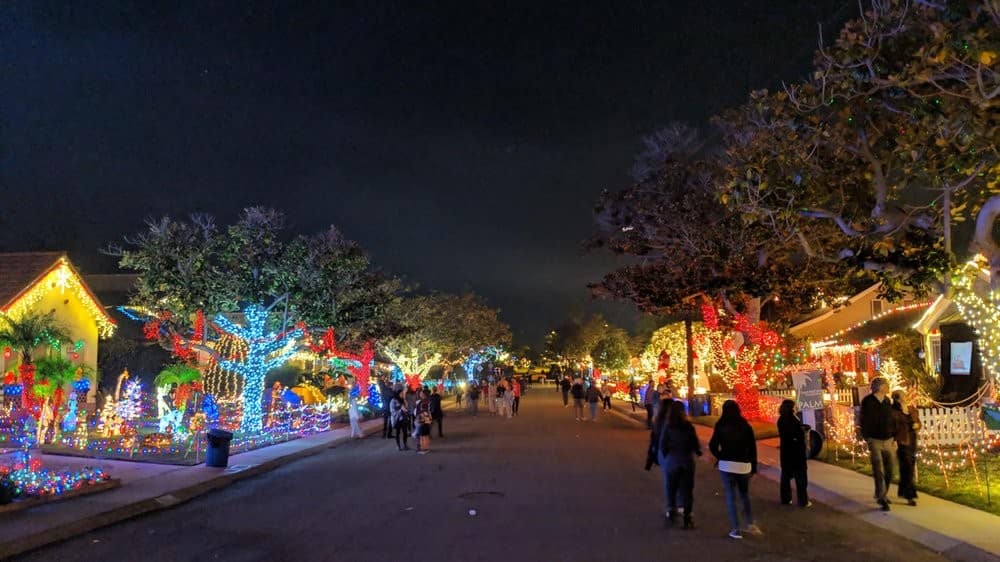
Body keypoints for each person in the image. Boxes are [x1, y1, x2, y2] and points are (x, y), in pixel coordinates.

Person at [709, 400, 760, 540]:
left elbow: (712, 445)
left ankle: (736, 529)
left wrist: (720, 456)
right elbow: (752, 448)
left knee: (731, 497)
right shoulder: (745, 425)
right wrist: (754, 468)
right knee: (744, 495)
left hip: (726, 465)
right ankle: (750, 523)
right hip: (744, 465)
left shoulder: (720, 425)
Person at [659, 400, 702, 529]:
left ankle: (671, 510)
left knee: (671, 487)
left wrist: (667, 454)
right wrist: (697, 451)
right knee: (687, 490)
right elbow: (695, 444)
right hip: (687, 461)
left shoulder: (668, 426)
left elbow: (663, 445)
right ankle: (687, 516)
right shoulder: (689, 426)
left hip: (673, 460)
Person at [860, 377, 896, 511]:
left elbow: (891, 419)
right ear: (880, 387)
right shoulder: (868, 401)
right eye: (886, 385)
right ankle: (881, 498)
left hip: (888, 439)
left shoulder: (887, 401)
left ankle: (883, 493)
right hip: (874, 439)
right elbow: (863, 419)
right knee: (878, 469)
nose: (888, 387)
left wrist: (894, 436)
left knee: (889, 469)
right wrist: (866, 436)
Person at [777, 399, 810, 507]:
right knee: (801, 477)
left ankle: (786, 498)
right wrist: (803, 431)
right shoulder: (793, 419)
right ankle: (802, 500)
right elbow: (796, 435)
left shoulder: (781, 419)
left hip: (786, 452)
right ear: (792, 408)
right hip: (796, 452)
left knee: (786, 476)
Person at [892, 390, 921, 506]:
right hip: (902, 442)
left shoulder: (911, 409)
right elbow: (893, 427)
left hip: (912, 441)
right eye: (903, 395)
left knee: (908, 467)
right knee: (908, 467)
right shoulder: (894, 411)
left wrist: (917, 425)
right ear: (898, 398)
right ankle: (910, 495)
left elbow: (919, 423)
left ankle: (902, 490)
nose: (906, 396)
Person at [415, 389, 433, 454]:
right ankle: (426, 448)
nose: (420, 394)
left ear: (424, 395)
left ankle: (423, 449)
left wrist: (419, 418)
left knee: (423, 436)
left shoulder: (423, 402)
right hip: (427, 420)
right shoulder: (427, 401)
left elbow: (423, 412)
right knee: (426, 435)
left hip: (422, 420)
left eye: (421, 393)